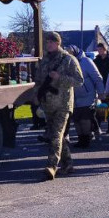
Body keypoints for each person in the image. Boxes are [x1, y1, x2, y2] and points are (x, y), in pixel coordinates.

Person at [34, 31, 83, 180]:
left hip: (63, 103)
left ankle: (52, 166)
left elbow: (79, 81)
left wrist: (60, 77)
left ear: (58, 43)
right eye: (47, 42)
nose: (48, 44)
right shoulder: (44, 61)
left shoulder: (68, 59)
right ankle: (68, 164)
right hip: (48, 104)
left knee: (55, 135)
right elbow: (38, 81)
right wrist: (37, 96)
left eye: (51, 42)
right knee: (56, 136)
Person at [71, 46, 104, 148]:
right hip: (73, 96)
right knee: (76, 119)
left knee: (85, 118)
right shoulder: (67, 62)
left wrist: (100, 92)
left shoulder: (86, 61)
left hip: (87, 95)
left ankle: (86, 139)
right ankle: (81, 139)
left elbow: (97, 78)